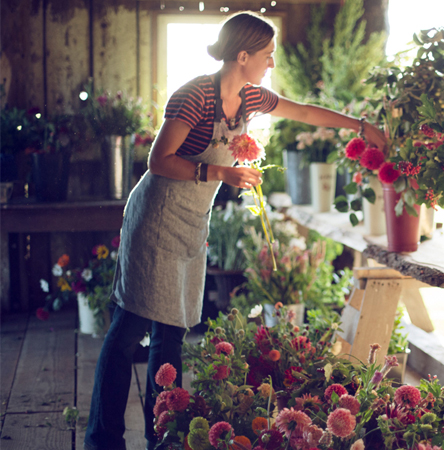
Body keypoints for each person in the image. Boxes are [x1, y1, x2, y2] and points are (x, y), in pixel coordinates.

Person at [83, 11, 386, 450]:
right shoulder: (195, 98)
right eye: (267, 55)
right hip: (156, 216)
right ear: (242, 55)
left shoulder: (250, 98)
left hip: (190, 221)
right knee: (130, 327)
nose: (272, 64)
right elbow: (158, 160)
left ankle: (162, 437)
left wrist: (361, 127)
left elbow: (301, 111)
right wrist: (219, 172)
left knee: (172, 332)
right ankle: (102, 440)